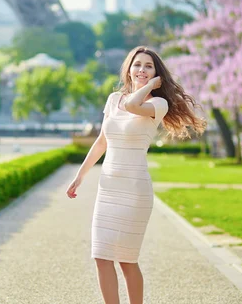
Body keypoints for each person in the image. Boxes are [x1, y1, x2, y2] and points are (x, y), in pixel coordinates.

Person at [66, 46, 206, 304]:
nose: (142, 69)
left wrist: (151, 85)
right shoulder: (112, 100)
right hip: (108, 187)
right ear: (128, 69)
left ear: (157, 73)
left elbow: (132, 105)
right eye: (137, 64)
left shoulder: (158, 103)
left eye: (148, 66)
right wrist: (80, 176)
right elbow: (101, 142)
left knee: (127, 260)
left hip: (134, 190)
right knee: (100, 255)